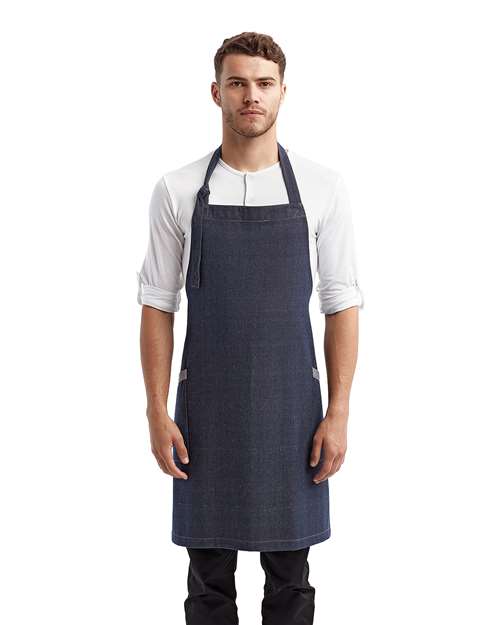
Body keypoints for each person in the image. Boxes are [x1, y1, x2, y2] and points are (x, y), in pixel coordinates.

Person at [137, 31, 364, 625]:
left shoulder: (322, 187)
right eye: (237, 83)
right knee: (207, 583)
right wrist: (156, 409)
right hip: (204, 415)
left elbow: (342, 303)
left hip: (292, 414)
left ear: (283, 92)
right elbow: (157, 303)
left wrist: (338, 411)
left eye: (264, 84)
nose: (251, 96)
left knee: (291, 581)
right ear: (217, 93)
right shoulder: (177, 190)